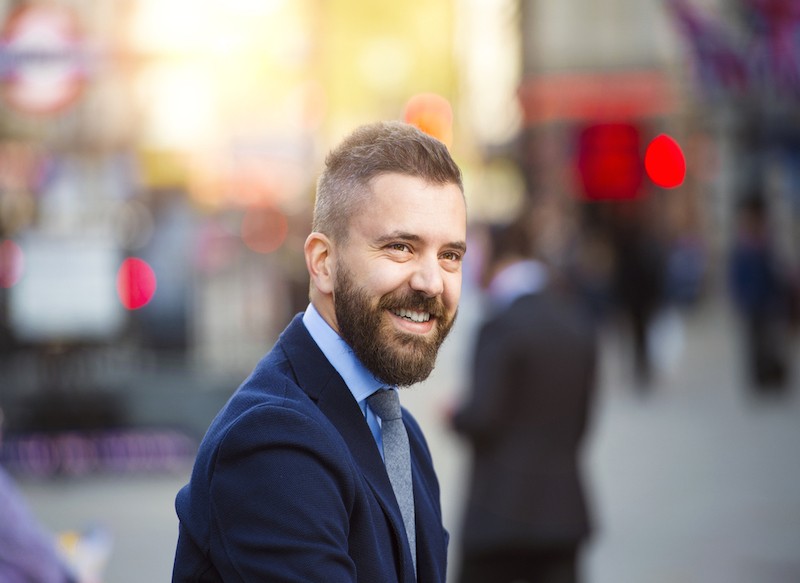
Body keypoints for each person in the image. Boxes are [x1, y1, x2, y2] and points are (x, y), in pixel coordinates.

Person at [173, 121, 466, 582]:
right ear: (323, 263)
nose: (432, 282)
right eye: (400, 247)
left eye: (450, 255)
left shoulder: (400, 432)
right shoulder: (272, 441)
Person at [451, 217, 598, 583]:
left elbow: (482, 417)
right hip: (562, 510)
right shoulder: (576, 321)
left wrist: (454, 414)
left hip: (500, 511)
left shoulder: (499, 326)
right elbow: (581, 422)